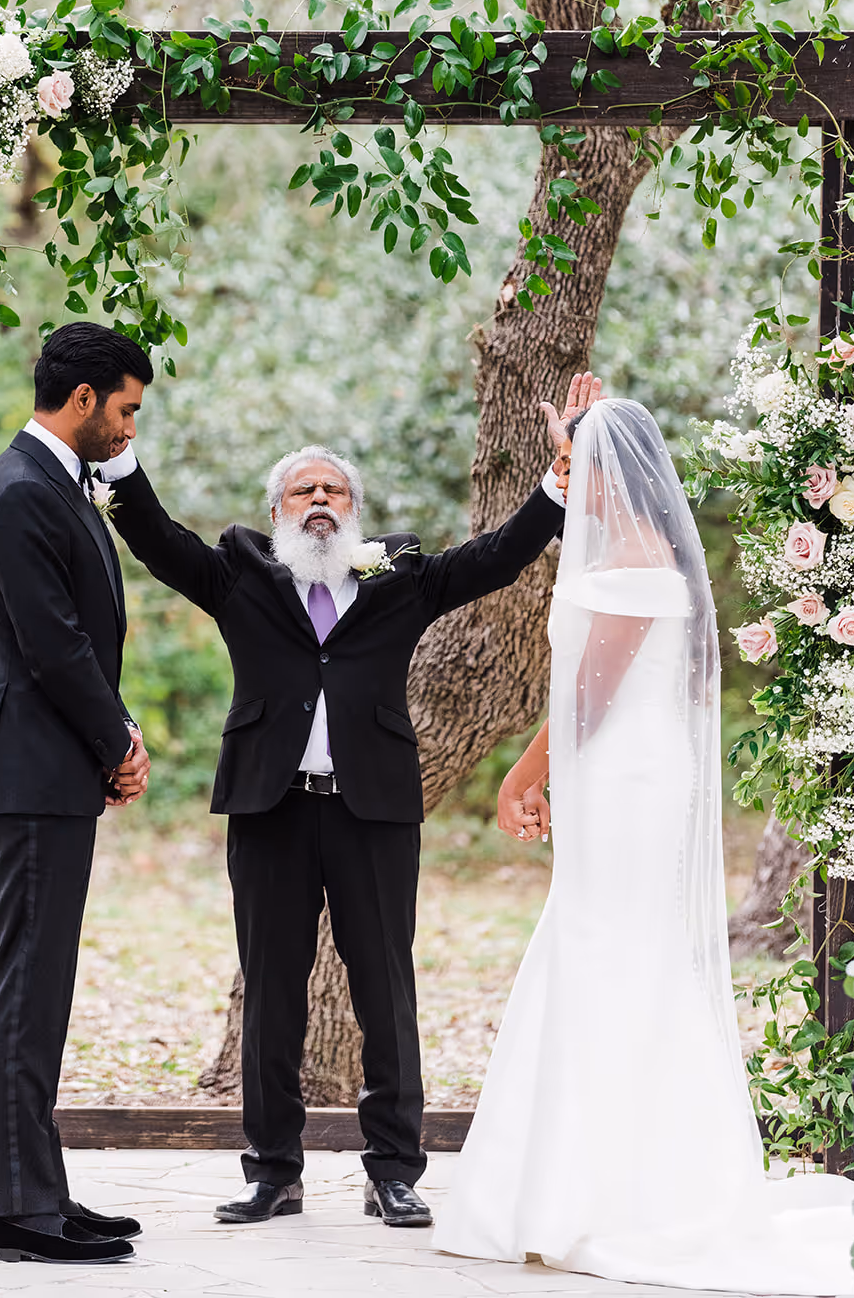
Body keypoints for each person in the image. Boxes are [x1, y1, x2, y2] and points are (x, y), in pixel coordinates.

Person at [96, 372, 601, 1227]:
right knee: (272, 993)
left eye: (334, 489)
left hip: (374, 812)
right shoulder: (239, 575)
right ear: (279, 511)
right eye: (304, 490)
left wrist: (560, 476)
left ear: (354, 510)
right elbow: (155, 537)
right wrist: (118, 458)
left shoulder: (401, 576)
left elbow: (499, 555)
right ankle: (272, 1173)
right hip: (271, 810)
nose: (321, 499)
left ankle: (394, 1171)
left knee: (385, 991)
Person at [433, 398, 854, 1294]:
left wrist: (523, 776)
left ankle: (617, 1186)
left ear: (610, 473)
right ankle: (586, 1170)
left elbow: (590, 693)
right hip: (623, 769)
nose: (570, 477)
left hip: (625, 776)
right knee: (607, 944)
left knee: (611, 945)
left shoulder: (633, 560)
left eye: (575, 461)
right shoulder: (632, 551)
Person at [0, 322, 155, 1266]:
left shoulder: (50, 481)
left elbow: (78, 639)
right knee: (27, 989)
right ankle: (19, 1213)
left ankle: (42, 1191)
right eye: (125, 410)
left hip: (52, 770)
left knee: (43, 990)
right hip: (33, 770)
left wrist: (117, 735)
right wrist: (119, 741)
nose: (129, 429)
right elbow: (53, 647)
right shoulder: (22, 489)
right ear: (82, 399)